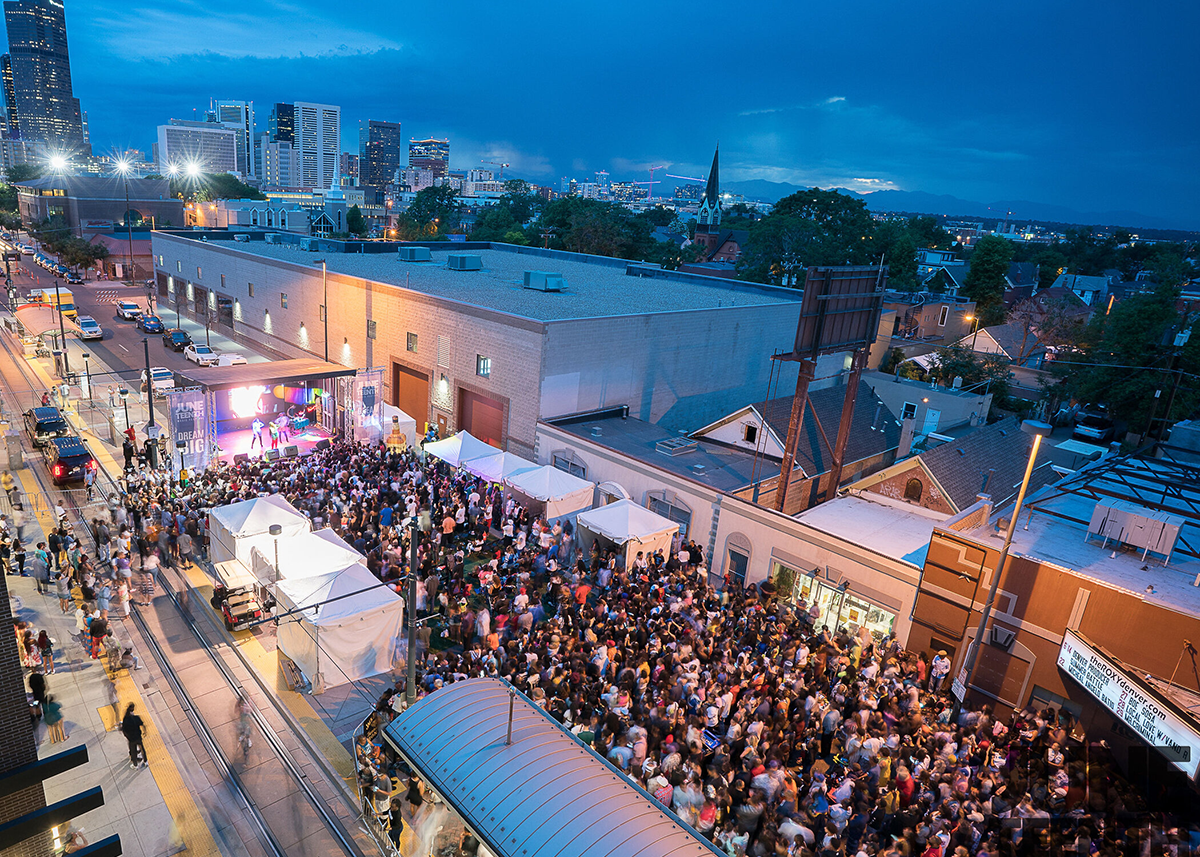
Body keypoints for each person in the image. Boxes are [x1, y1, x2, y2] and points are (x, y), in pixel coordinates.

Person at [121, 703, 147, 768]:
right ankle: (145, 761)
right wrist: (144, 732)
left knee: (133, 751)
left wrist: (127, 736)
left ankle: (135, 765)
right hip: (138, 737)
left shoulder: (126, 720)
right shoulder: (136, 718)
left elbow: (124, 729)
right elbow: (142, 724)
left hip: (131, 739)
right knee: (142, 748)